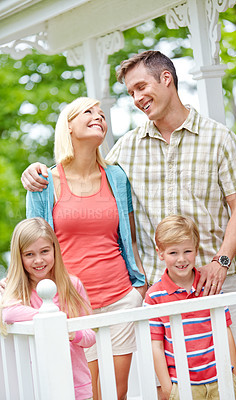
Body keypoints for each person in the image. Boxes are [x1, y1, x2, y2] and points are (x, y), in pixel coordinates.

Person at [20, 51, 236, 398]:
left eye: (141, 87)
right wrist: (35, 171)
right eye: (130, 93)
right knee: (168, 385)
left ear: (166, 79)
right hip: (158, 292)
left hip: (214, 281)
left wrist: (221, 262)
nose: (136, 98)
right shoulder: (127, 149)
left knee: (234, 380)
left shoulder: (219, 138)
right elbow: (83, 171)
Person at [23, 96, 147, 400]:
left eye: (102, 114)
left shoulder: (116, 177)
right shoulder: (44, 182)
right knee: (88, 393)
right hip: (73, 304)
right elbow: (33, 242)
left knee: (117, 392)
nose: (99, 117)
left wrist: (139, 287)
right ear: (68, 126)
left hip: (120, 297)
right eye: (88, 112)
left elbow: (128, 237)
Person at [144, 215, 236, 400]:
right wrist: (167, 388)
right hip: (182, 385)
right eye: (173, 253)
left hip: (220, 379)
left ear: (196, 250)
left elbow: (225, 331)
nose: (181, 259)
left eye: (187, 251)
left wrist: (233, 376)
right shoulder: (154, 296)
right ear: (160, 253)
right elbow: (155, 346)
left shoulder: (209, 286)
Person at [0, 217, 96, 400]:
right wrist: (54, 319)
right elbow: (9, 313)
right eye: (29, 254)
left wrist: (69, 331)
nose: (38, 260)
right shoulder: (16, 289)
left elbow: (90, 336)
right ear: (19, 256)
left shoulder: (72, 285)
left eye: (44, 251)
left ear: (55, 250)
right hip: (36, 384)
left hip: (77, 384)